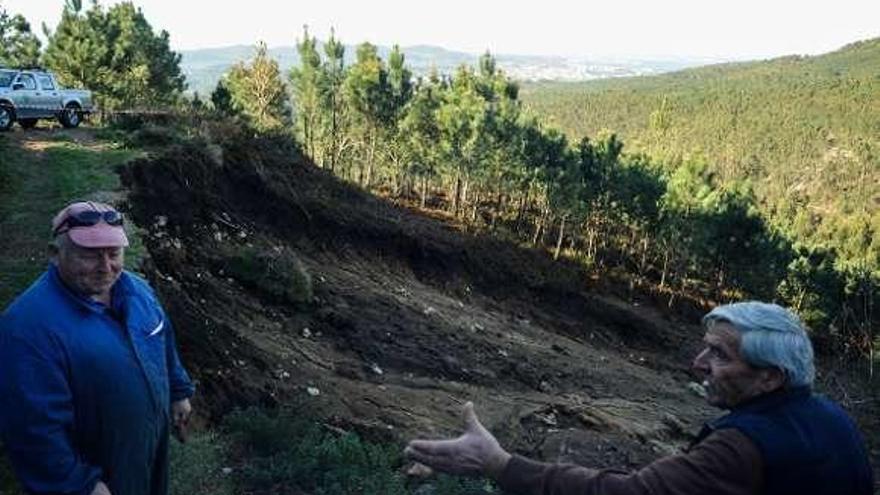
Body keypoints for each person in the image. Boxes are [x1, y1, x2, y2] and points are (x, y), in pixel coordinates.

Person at [405, 301, 874, 494]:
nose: (698, 363)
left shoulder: (739, 447)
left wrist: (498, 464)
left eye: (719, 354)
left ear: (770, 377)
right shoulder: (831, 418)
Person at [0, 201, 195, 495]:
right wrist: (78, 484)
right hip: (98, 477)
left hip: (147, 456)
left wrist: (179, 390)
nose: (106, 268)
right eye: (90, 256)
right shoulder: (28, 328)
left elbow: (161, 337)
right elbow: (33, 429)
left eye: (114, 253)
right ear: (55, 254)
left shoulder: (138, 291)